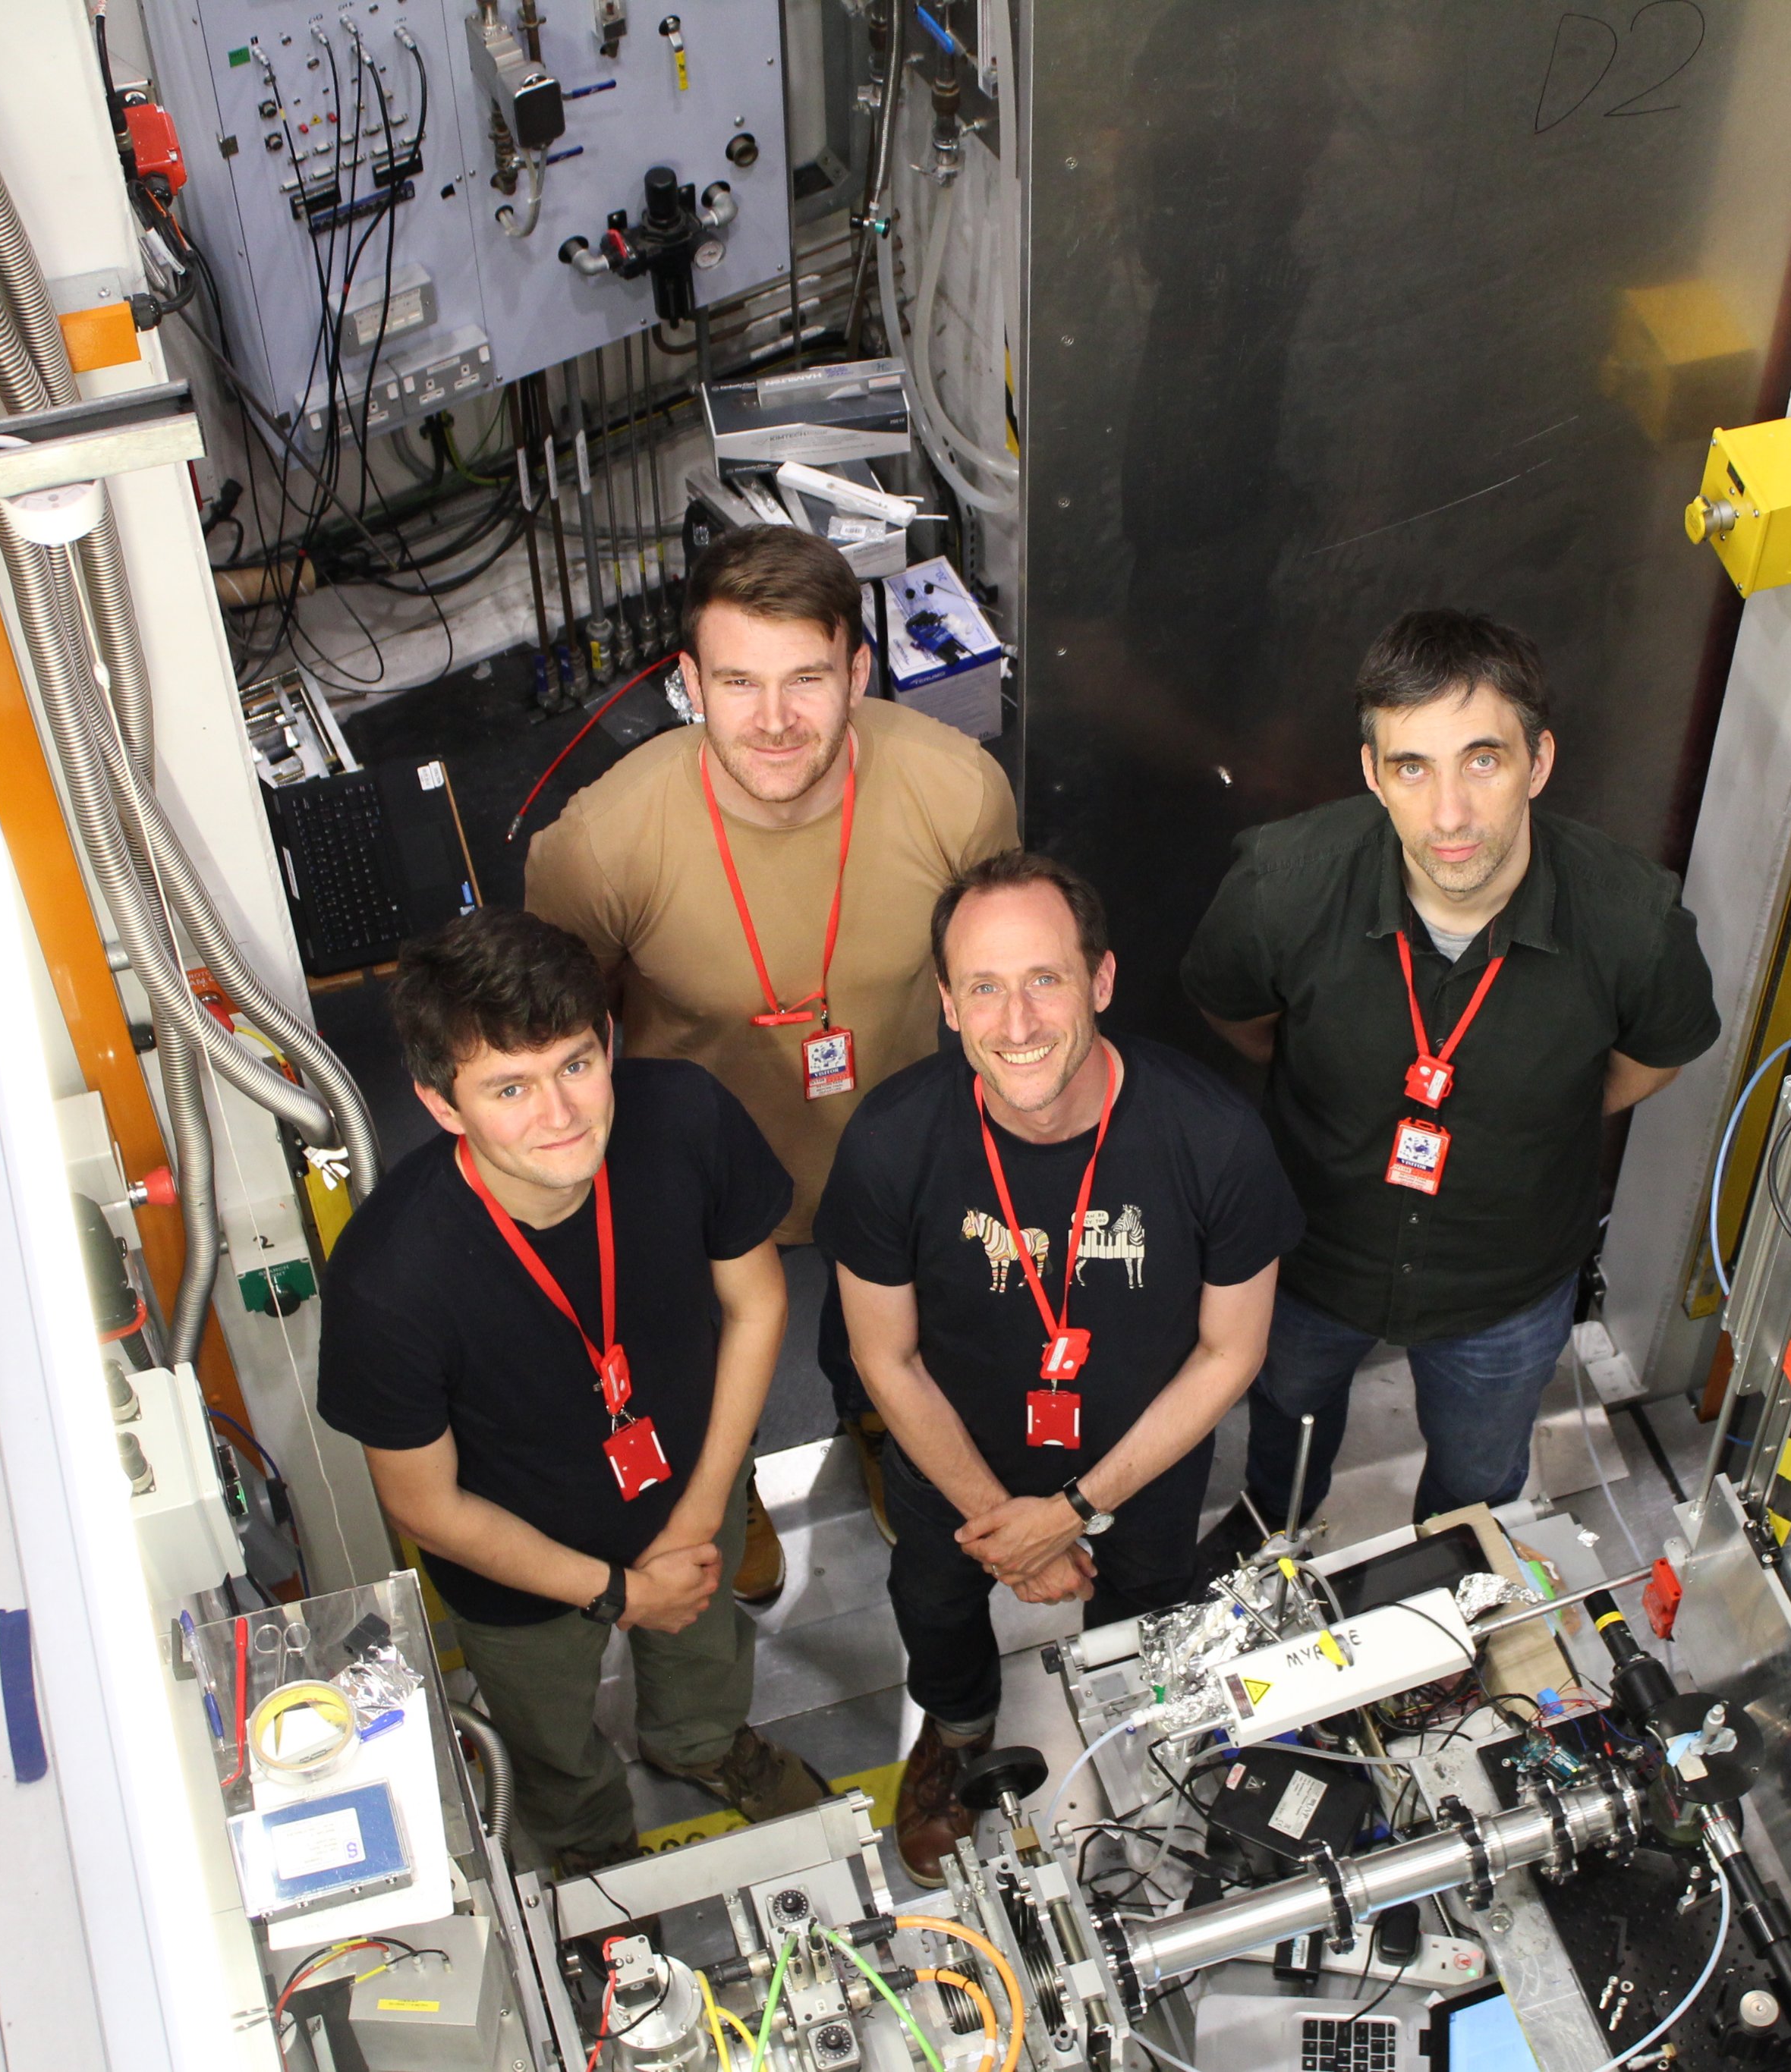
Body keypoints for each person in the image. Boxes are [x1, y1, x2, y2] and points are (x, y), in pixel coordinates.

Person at [529, 524, 1018, 1571]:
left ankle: (875, 1416)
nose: (776, 720)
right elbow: (565, 1039)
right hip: (698, 1171)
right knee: (702, 1343)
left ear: (858, 672)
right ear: (689, 683)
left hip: (886, 1144)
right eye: (739, 682)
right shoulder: (599, 846)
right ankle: (726, 1464)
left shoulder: (958, 791)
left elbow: (997, 977)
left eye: (806, 678)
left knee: (885, 1318)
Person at [816, 852, 1304, 1884]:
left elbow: (1233, 1350)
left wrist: (1075, 1509)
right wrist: (1008, 1523)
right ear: (948, 1004)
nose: (1018, 1020)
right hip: (956, 1460)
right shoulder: (891, 1142)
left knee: (1146, 1602)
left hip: (1140, 1463)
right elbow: (883, 1355)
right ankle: (955, 1733)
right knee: (936, 1602)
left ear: (1102, 979)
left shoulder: (1213, 1136)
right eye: (984, 987)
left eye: (1045, 978)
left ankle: (1131, 1736)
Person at [1180, 608, 1720, 1532]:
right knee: (1285, 1432)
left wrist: (1539, 1111)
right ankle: (1275, 1530)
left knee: (1475, 1483)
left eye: (1482, 760)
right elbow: (1240, 1017)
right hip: (1311, 1256)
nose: (1449, 815)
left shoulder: (1632, 922)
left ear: (1537, 762)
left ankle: (1460, 1579)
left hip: (1503, 1285)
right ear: (1371, 773)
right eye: (1411, 767)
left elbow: (1650, 1060)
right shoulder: (1283, 886)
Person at [317, 909, 830, 1874]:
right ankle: (587, 1837)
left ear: (608, 1041)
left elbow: (758, 1303)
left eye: (576, 1064)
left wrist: (699, 1511)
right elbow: (425, 1505)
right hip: (520, 1568)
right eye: (509, 1087)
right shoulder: (388, 1278)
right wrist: (620, 1591)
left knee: (705, 1655)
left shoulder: (683, 1115)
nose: (559, 1114)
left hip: (690, 1487)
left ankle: (702, 1744)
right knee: (547, 1729)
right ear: (441, 1104)